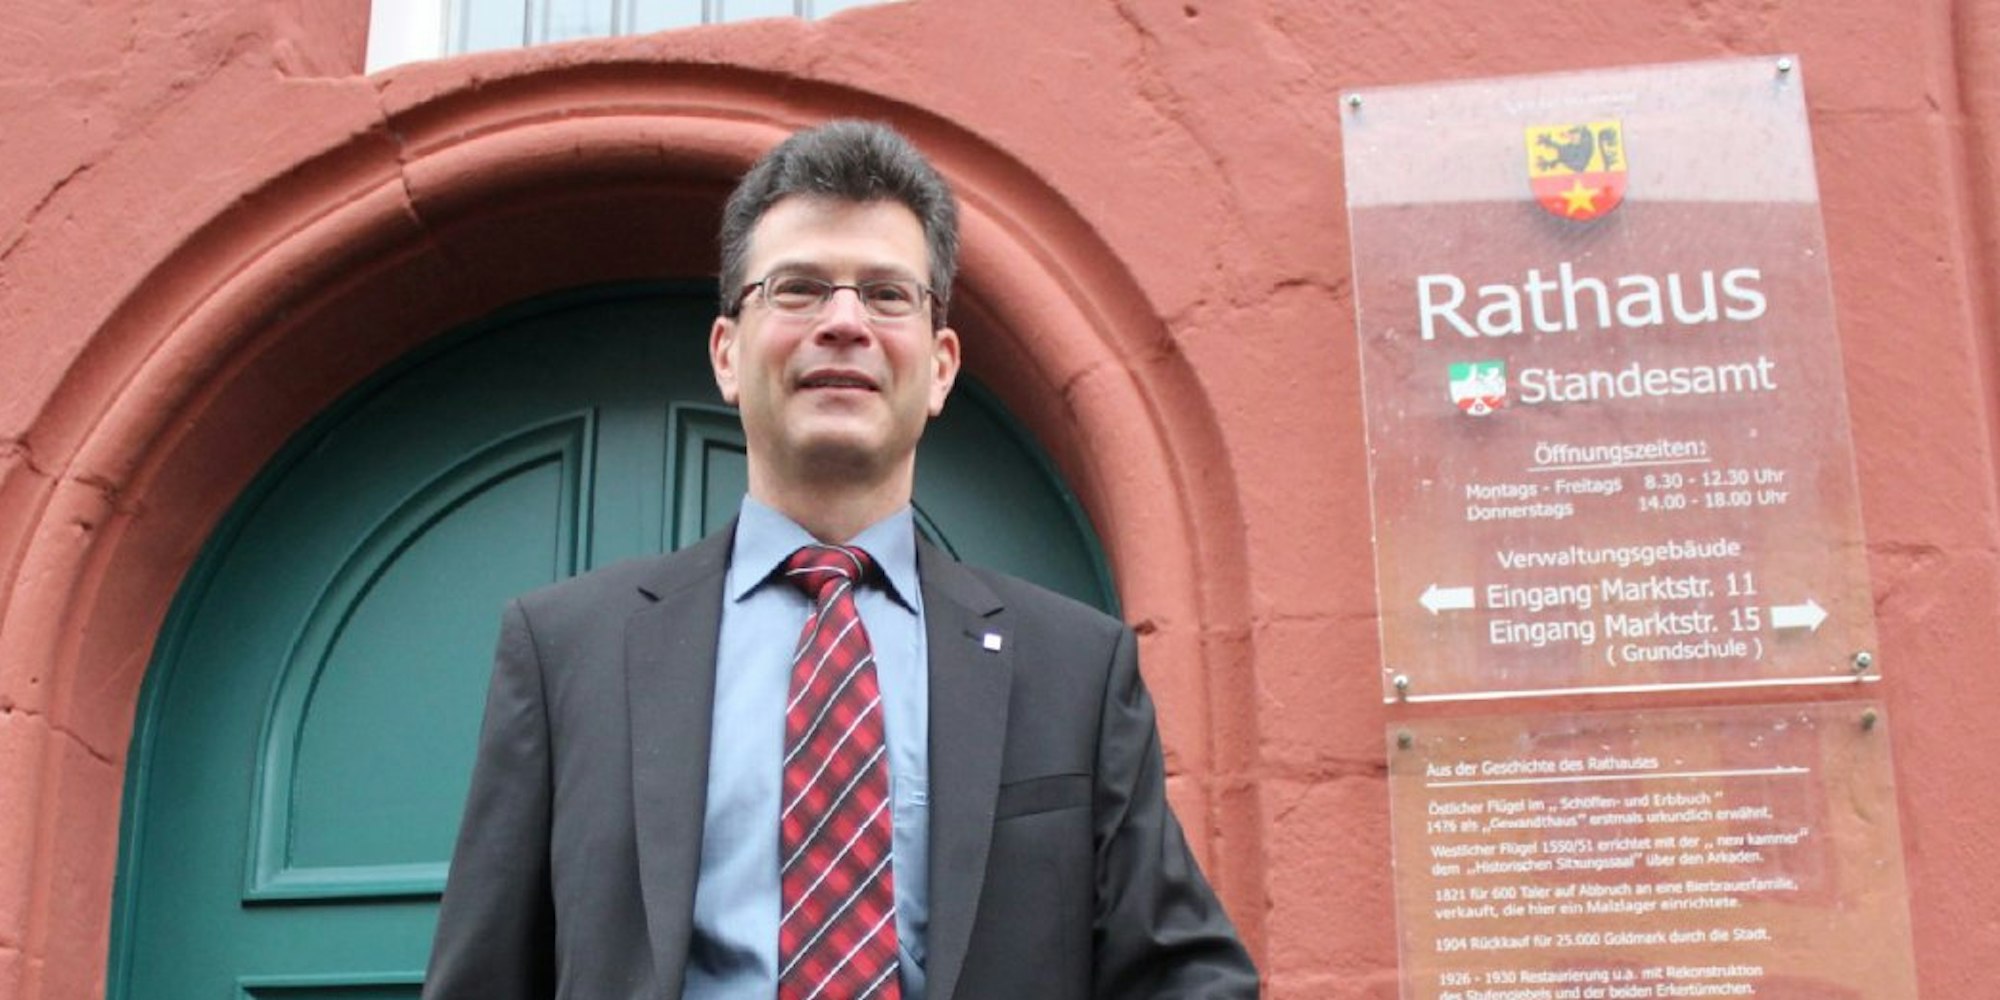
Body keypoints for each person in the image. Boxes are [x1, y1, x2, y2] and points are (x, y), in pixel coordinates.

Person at [424, 120, 1258, 1000]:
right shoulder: (564, 651)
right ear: (726, 355)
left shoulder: (1076, 669)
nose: (844, 322)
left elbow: (1186, 977)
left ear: (940, 368)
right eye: (798, 289)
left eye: (888, 295)